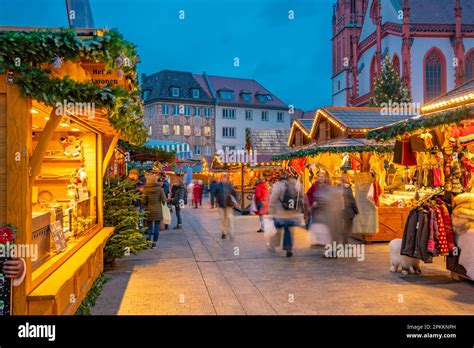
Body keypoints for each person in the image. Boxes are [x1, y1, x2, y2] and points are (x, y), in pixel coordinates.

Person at [269, 174, 301, 257]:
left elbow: (273, 198)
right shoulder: (296, 185)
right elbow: (301, 197)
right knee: (289, 231)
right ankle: (288, 249)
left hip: (280, 213)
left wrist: (271, 211)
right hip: (291, 214)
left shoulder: (279, 185)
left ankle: (273, 245)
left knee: (277, 230)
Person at [142, 175, 166, 249]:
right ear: (156, 180)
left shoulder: (145, 189)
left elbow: (143, 200)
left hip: (149, 210)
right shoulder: (160, 189)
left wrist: (146, 204)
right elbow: (164, 200)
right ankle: (154, 243)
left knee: (149, 227)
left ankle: (148, 242)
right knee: (156, 227)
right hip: (158, 210)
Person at [215, 174, 238, 239]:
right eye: (222, 178)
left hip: (229, 205)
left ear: (227, 179)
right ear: (221, 179)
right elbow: (215, 194)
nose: (224, 179)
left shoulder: (229, 185)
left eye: (225, 178)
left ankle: (231, 232)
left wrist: (236, 200)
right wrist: (216, 201)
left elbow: (234, 193)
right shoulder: (218, 185)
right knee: (222, 219)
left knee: (229, 218)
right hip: (221, 205)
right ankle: (224, 233)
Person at [338, 174, 359, 245]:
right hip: (348, 211)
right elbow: (351, 200)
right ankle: (345, 244)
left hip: (340, 211)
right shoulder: (347, 188)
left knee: (343, 228)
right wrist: (356, 210)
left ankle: (342, 243)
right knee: (346, 229)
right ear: (347, 179)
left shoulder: (337, 187)